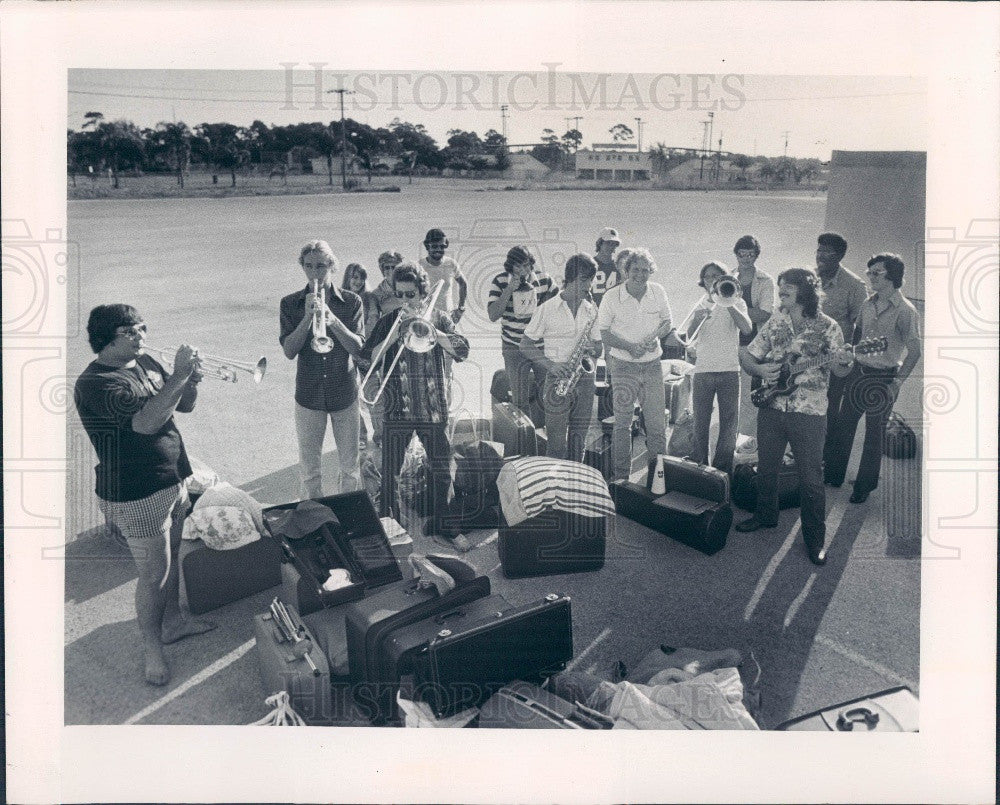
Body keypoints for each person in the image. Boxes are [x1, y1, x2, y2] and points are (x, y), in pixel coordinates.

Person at [74, 304, 216, 686]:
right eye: (132, 331)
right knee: (154, 573)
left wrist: (192, 380)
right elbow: (146, 422)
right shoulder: (97, 383)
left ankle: (173, 624)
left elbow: (180, 405)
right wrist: (181, 374)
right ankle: (153, 648)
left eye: (144, 328)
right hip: (134, 491)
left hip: (172, 477)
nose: (143, 336)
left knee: (170, 560)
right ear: (107, 337)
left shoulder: (146, 362)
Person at [735, 268, 852, 566]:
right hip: (772, 409)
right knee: (767, 468)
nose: (781, 288)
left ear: (805, 291)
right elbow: (747, 355)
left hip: (809, 414)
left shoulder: (828, 327)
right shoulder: (777, 321)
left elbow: (839, 370)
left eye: (788, 285)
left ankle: (815, 541)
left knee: (812, 479)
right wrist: (760, 370)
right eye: (780, 284)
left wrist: (845, 362)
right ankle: (765, 515)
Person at [359, 261, 470, 546]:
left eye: (411, 294)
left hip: (433, 409)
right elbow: (370, 357)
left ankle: (447, 525)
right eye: (401, 294)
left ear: (422, 293)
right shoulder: (389, 320)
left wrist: (433, 329)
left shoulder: (441, 318)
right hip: (398, 410)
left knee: (442, 470)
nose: (406, 300)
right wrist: (395, 334)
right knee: (390, 474)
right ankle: (390, 528)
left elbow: (462, 349)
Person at [823, 253, 921, 503]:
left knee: (874, 435)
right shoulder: (867, 304)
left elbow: (915, 351)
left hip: (884, 379)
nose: (870, 277)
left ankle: (863, 487)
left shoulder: (906, 311)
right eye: (869, 272)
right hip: (858, 372)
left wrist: (897, 383)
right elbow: (857, 339)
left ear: (892, 277)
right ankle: (834, 475)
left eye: (876, 273)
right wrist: (847, 356)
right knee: (844, 425)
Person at [280, 241, 365, 500]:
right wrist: (307, 318)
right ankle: (315, 519)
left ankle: (348, 515)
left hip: (344, 394)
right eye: (309, 266)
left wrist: (333, 320)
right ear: (302, 267)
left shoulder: (352, 302)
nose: (315, 273)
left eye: (321, 266)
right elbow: (289, 351)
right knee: (309, 470)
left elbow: (359, 348)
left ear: (332, 267)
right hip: (308, 396)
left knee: (350, 468)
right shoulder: (290, 304)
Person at [597, 248, 677, 482]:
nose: (640, 274)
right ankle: (621, 479)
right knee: (622, 425)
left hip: (652, 365)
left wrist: (655, 338)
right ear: (626, 270)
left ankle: (659, 478)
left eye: (645, 270)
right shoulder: (611, 296)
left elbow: (667, 322)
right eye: (635, 270)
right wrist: (630, 347)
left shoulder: (658, 291)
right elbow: (603, 332)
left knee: (656, 427)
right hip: (623, 366)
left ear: (650, 271)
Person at [520, 254, 603, 463]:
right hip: (557, 381)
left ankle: (573, 488)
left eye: (591, 280)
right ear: (569, 279)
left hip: (584, 382)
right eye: (584, 280)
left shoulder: (592, 310)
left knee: (578, 445)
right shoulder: (546, 309)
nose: (589, 286)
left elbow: (599, 349)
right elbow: (525, 345)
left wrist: (593, 348)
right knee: (556, 447)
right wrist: (552, 366)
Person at [681, 261, 752, 475]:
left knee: (729, 425)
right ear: (703, 281)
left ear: (724, 278)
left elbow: (747, 328)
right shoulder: (701, 304)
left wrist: (728, 303)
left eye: (716, 275)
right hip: (703, 370)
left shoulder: (736, 302)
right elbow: (688, 337)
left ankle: (722, 472)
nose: (711, 280)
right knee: (700, 423)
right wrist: (697, 320)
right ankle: (699, 466)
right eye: (707, 276)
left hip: (729, 370)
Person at [486, 245, 556, 427]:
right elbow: (493, 315)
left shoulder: (544, 280)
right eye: (518, 267)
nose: (523, 271)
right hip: (513, 345)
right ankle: (524, 441)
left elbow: (559, 304)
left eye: (526, 266)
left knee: (546, 392)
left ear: (531, 264)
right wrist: (509, 290)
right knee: (519, 398)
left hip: (539, 345)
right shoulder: (500, 281)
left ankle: (543, 434)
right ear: (510, 267)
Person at [814, 232, 867, 464]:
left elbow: (860, 327)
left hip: (835, 361)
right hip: (808, 358)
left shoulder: (854, 286)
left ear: (839, 256)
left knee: (830, 408)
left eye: (827, 252)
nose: (820, 255)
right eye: (819, 250)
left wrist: (848, 358)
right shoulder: (811, 279)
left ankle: (826, 459)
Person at [732, 235, 776, 439]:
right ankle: (730, 435)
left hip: (752, 346)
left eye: (750, 254)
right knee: (730, 395)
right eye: (742, 254)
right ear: (736, 255)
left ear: (756, 255)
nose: (746, 259)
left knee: (748, 397)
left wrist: (732, 307)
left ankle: (745, 440)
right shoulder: (728, 277)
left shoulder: (765, 281)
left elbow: (765, 313)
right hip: (729, 343)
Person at [592, 227, 622, 305]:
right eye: (608, 243)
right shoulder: (588, 264)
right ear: (600, 243)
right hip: (592, 311)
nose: (611, 247)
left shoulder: (620, 267)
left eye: (614, 244)